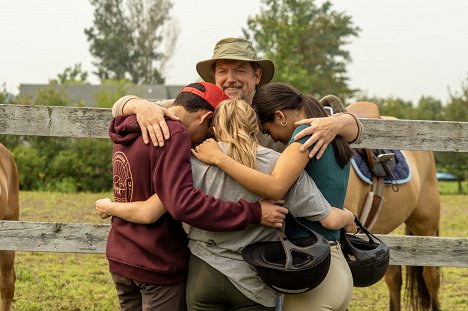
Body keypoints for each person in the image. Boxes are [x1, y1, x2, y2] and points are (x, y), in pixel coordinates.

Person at [97, 98, 355, 310]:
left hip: (203, 275)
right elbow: (328, 218)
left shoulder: (193, 164)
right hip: (255, 279)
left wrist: (110, 207)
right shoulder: (282, 166)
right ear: (256, 128)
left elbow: (151, 210)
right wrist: (349, 218)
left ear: (215, 128)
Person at [101, 82, 288, 311]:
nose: (209, 138)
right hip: (156, 259)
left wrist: (110, 207)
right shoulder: (177, 134)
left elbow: (153, 203)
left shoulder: (131, 126)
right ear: (205, 117)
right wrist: (254, 211)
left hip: (121, 254)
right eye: (211, 129)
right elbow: (184, 205)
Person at [192, 83, 356, 311]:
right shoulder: (330, 133)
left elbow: (276, 186)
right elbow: (356, 128)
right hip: (334, 265)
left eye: (268, 131)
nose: (275, 140)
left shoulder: (304, 138)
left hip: (309, 269)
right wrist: (348, 217)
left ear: (280, 116)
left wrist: (219, 158)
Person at [111, 37, 363, 158]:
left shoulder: (275, 107)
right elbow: (119, 106)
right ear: (214, 77)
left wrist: (336, 123)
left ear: (257, 75)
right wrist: (142, 106)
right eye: (223, 71)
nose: (230, 78)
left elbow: (356, 130)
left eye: (239, 70)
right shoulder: (199, 105)